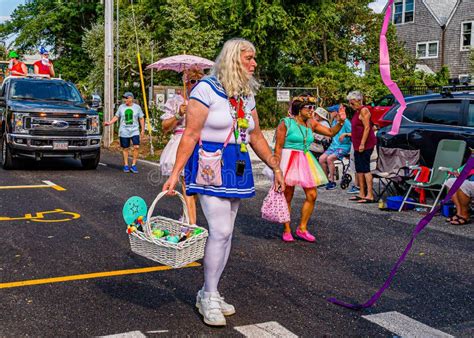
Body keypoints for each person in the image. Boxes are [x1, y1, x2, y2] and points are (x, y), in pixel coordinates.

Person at [162, 38, 285, 327]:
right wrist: (173, 173)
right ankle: (208, 295)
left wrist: (275, 166)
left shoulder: (245, 94)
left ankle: (210, 292)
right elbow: (190, 134)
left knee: (227, 233)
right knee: (219, 230)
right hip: (209, 164)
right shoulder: (205, 89)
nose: (254, 63)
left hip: (237, 166)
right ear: (233, 59)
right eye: (249, 58)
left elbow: (255, 136)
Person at [274, 95, 347, 242]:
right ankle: (286, 229)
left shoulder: (311, 123)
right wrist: (277, 170)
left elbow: (331, 132)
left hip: (305, 158)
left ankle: (302, 228)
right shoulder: (286, 123)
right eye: (309, 108)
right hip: (288, 159)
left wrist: (341, 121)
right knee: (287, 195)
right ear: (299, 109)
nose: (312, 111)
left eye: (313, 108)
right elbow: (278, 147)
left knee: (312, 194)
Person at [159, 67, 204, 226]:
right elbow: (164, 126)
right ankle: (192, 225)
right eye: (193, 81)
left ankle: (186, 215)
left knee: (197, 185)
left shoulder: (205, 101)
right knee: (187, 183)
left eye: (200, 81)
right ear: (185, 82)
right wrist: (179, 114)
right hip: (182, 142)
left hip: (202, 143)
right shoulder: (176, 101)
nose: (196, 84)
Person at [103, 92, 145, 173]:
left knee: (136, 146)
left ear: (131, 98)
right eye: (124, 98)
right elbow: (116, 116)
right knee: (125, 148)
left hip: (134, 130)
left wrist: (142, 129)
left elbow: (141, 118)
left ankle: (133, 165)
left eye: (126, 98)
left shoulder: (137, 107)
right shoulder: (121, 107)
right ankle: (126, 165)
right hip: (124, 131)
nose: (125, 100)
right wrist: (109, 123)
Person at [347, 90, 376, 203]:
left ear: (359, 100)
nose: (351, 105)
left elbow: (367, 128)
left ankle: (370, 195)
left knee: (365, 168)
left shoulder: (364, 110)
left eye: (352, 103)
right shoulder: (357, 111)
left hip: (365, 144)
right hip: (357, 144)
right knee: (359, 169)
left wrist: (362, 143)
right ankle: (361, 193)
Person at [319, 105, 352, 190]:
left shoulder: (346, 122)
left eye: (331, 112)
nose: (330, 113)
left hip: (344, 146)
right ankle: (325, 180)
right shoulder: (334, 121)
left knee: (330, 158)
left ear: (336, 112)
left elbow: (353, 133)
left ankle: (332, 181)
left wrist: (345, 134)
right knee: (321, 159)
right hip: (333, 146)